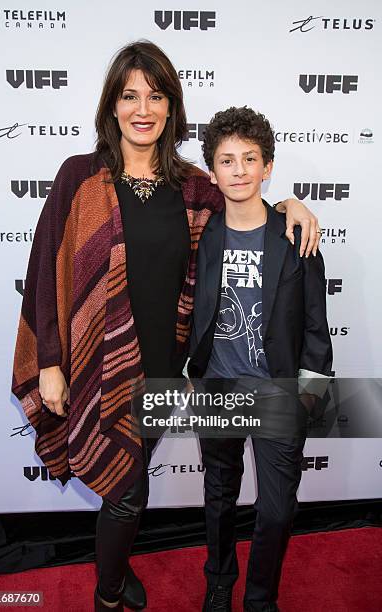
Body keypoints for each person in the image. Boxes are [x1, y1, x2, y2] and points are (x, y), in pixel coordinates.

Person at [11, 41, 321, 612]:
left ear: (171, 106)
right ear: (112, 105)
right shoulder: (81, 176)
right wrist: (50, 361)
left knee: (127, 487)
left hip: (163, 373)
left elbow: (243, 199)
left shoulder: (192, 183)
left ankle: (115, 574)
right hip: (94, 366)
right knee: (128, 494)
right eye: (130, 96)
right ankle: (108, 592)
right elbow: (44, 266)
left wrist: (290, 206)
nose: (143, 108)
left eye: (155, 95)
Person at [188, 106, 333, 611]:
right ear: (212, 172)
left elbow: (317, 327)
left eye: (250, 159)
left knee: (275, 510)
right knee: (219, 499)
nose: (240, 170)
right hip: (218, 388)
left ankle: (260, 597)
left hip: (278, 393)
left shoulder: (298, 237)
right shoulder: (202, 237)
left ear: (268, 166)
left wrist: (310, 402)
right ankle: (220, 582)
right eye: (227, 161)